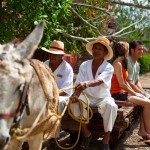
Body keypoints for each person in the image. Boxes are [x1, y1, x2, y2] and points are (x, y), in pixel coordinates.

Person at [71, 36, 118, 150]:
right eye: (95, 48)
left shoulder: (108, 67)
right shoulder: (84, 65)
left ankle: (106, 139)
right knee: (74, 102)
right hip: (87, 96)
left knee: (112, 106)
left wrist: (86, 84)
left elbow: (100, 80)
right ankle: (86, 134)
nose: (96, 51)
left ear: (105, 52)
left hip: (103, 98)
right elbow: (79, 83)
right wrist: (76, 94)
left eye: (100, 49)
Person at [41, 40, 74, 115]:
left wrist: (51, 95)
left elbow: (66, 90)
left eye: (55, 54)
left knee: (59, 101)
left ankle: (56, 123)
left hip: (61, 96)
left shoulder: (67, 68)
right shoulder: (44, 65)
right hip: (45, 93)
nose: (52, 56)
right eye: (51, 54)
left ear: (61, 56)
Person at [126, 40, 150, 140]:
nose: (141, 51)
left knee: (147, 98)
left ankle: (143, 130)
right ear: (132, 50)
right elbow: (129, 83)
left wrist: (143, 92)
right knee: (147, 103)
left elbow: (137, 82)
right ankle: (148, 131)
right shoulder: (128, 62)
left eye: (141, 49)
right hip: (126, 93)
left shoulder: (136, 64)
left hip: (133, 92)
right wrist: (140, 93)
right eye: (139, 49)